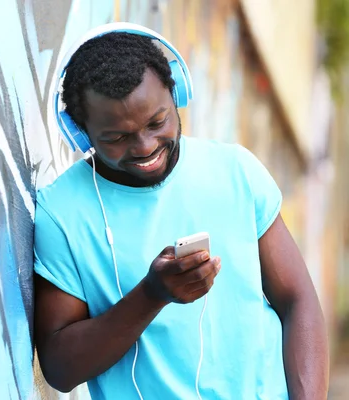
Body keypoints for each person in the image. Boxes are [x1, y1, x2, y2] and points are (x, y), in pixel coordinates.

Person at [33, 24, 329, 400]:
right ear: (81, 132)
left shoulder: (236, 170)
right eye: (117, 137)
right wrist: (152, 295)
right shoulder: (60, 214)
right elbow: (60, 369)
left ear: (177, 95)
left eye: (157, 122)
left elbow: (297, 299)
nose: (145, 147)